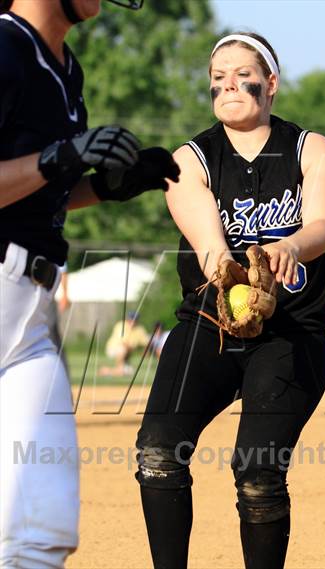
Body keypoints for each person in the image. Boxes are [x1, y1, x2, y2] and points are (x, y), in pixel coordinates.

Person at [135, 32, 325, 569]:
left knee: (257, 471)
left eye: (241, 74)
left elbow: (320, 223)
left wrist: (290, 245)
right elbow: (206, 236)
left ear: (271, 84)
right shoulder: (190, 158)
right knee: (159, 450)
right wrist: (223, 266)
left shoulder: (312, 149)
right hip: (211, 326)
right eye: (217, 79)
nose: (228, 83)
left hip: (291, 334)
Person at [0, 0, 179, 566]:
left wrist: (107, 188)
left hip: (31, 308)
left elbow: (36, 189)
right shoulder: (5, 47)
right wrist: (58, 158)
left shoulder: (66, 68)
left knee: (41, 525)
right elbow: (46, 167)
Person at [99, 311, 149, 376]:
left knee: (130, 372)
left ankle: (106, 371)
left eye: (135, 319)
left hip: (127, 354)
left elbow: (146, 343)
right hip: (113, 349)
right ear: (127, 319)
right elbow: (124, 343)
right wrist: (132, 348)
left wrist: (146, 351)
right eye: (131, 319)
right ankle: (119, 368)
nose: (133, 321)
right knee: (122, 349)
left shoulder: (140, 329)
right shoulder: (121, 325)